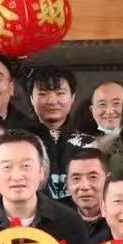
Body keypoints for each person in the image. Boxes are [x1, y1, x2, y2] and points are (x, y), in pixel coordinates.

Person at [30, 67, 94, 201]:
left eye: (60, 93)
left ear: (72, 97)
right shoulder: (21, 140)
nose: (52, 101)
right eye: (43, 94)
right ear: (31, 99)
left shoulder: (91, 140)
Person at [64, 149, 109, 238]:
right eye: (76, 178)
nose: (84, 186)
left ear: (108, 180)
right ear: (67, 183)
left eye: (93, 177)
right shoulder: (56, 217)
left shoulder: (121, 216)